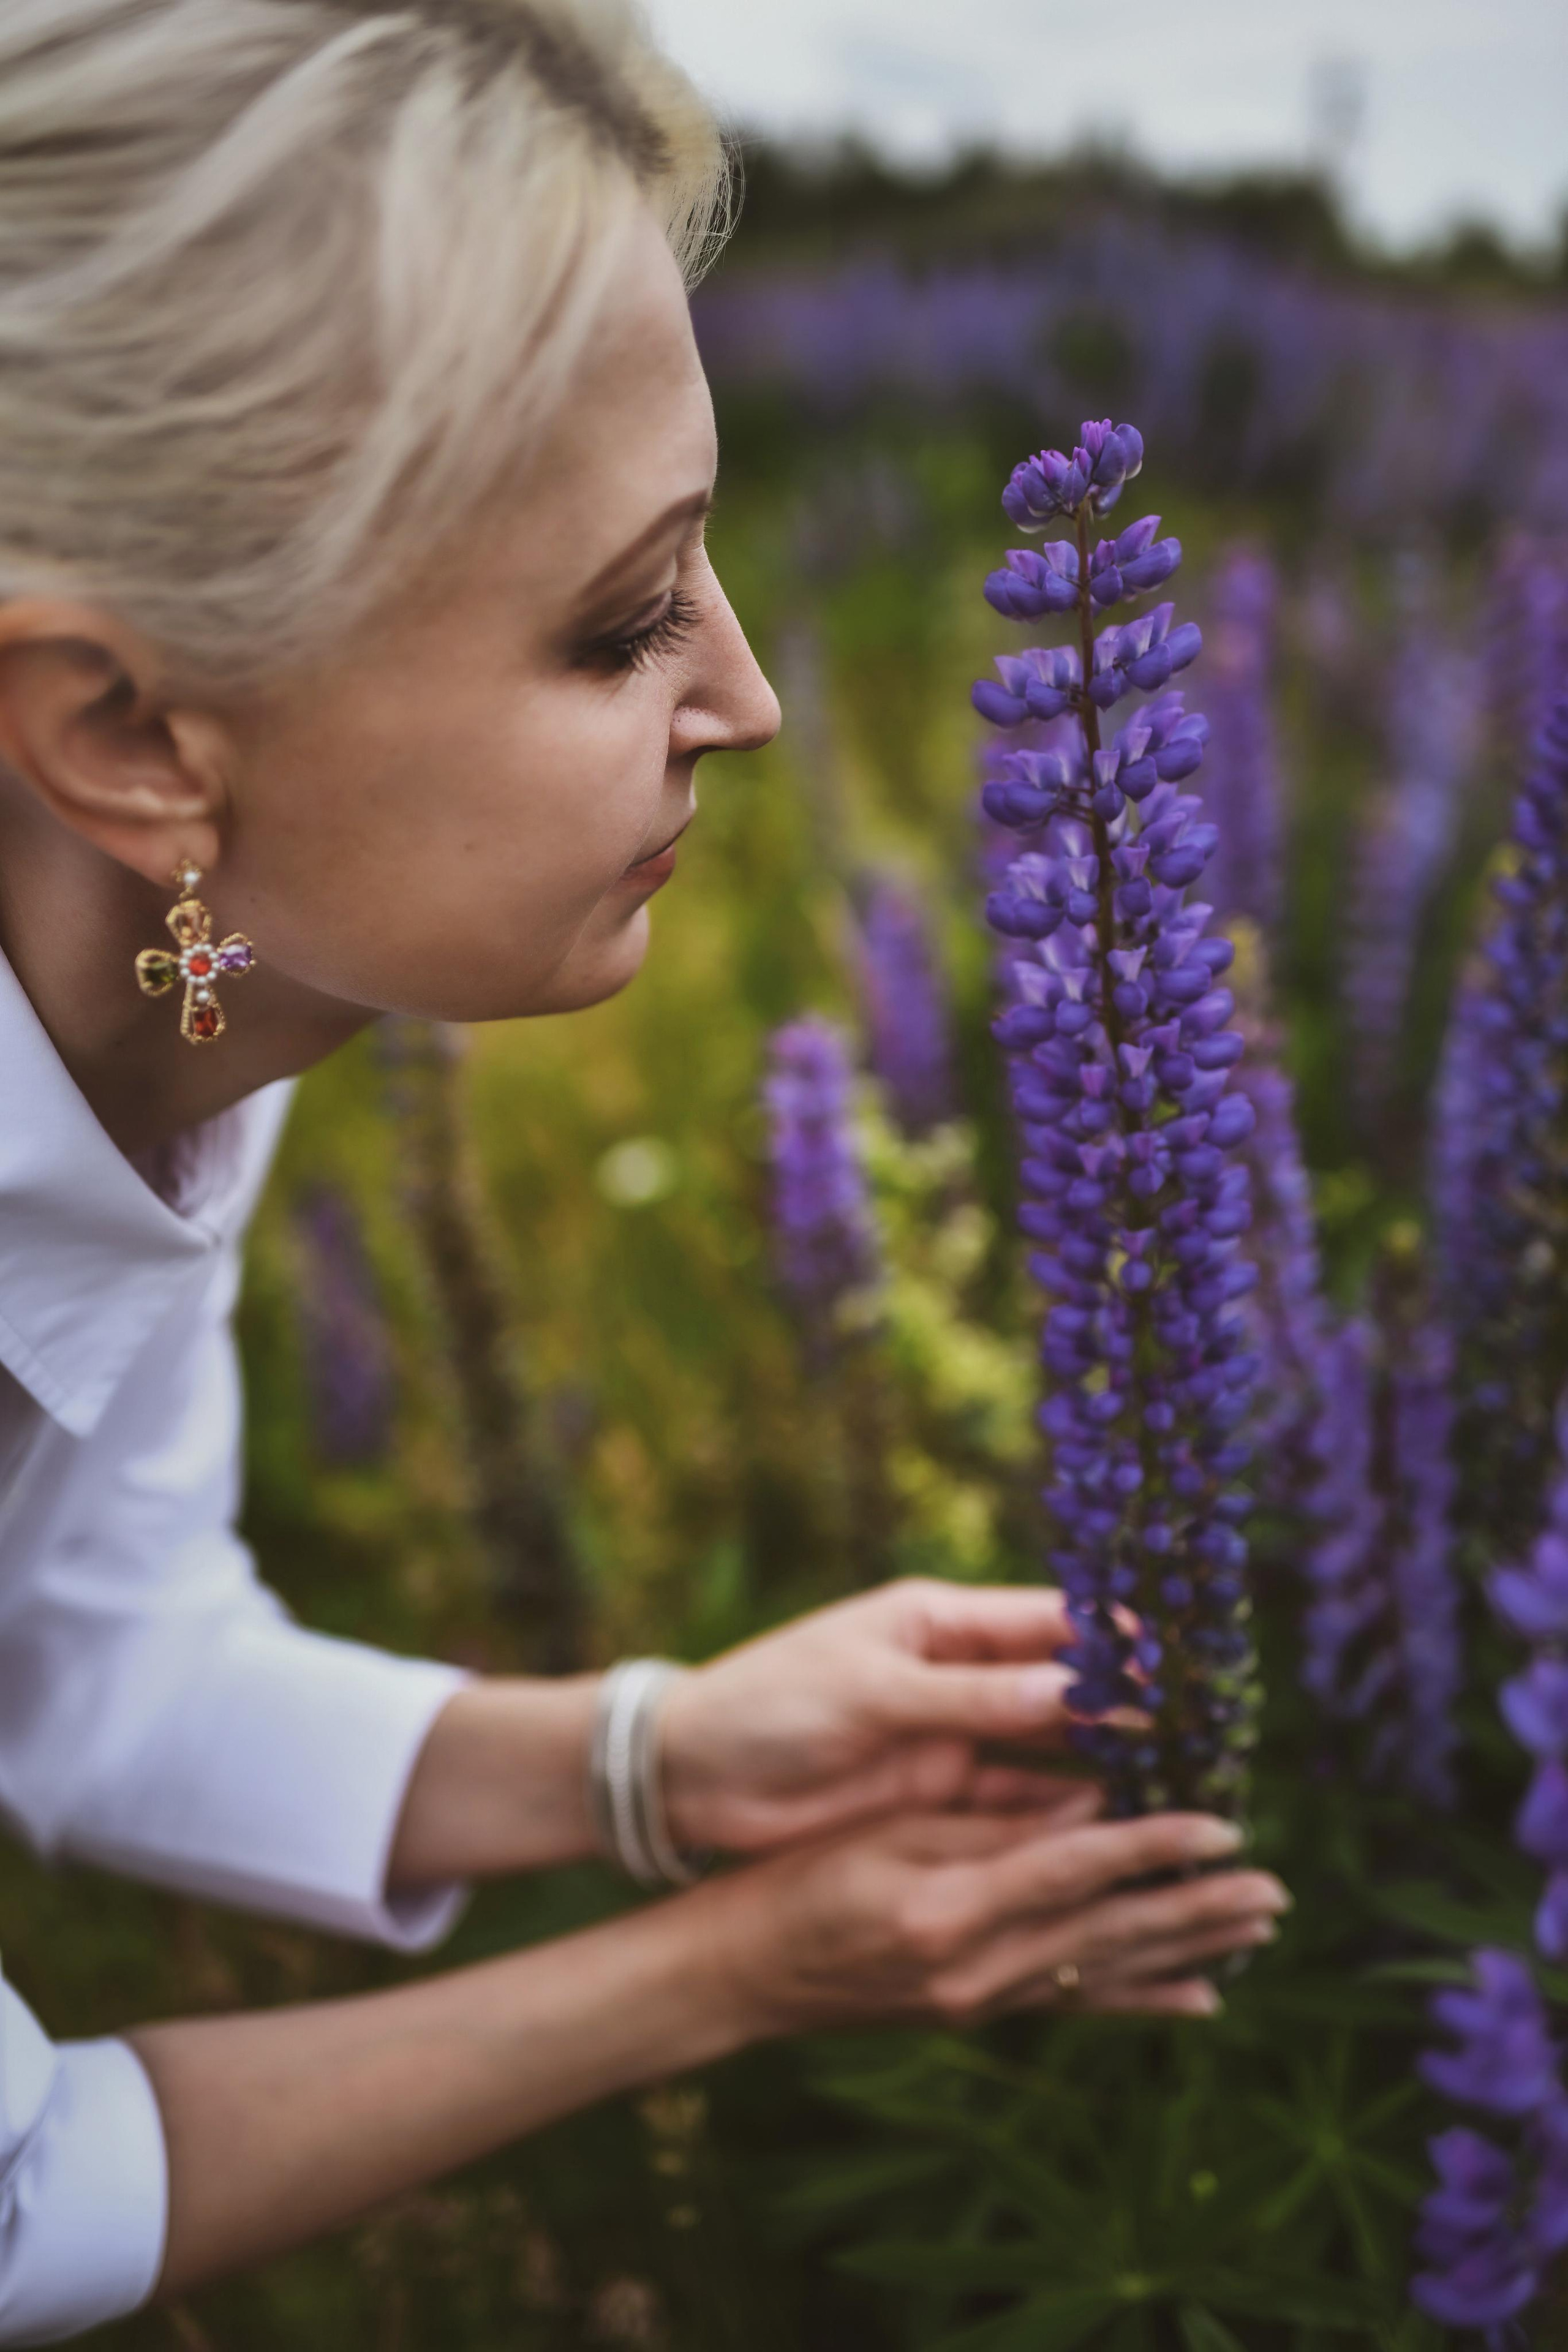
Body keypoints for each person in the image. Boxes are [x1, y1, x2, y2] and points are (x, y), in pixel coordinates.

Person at [0, 1, 1288, 2335]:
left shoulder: (194, 991)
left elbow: (94, 1665)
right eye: (622, 618)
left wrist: (656, 1755)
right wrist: (728, 1973)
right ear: (126, 736)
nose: (758, 694)